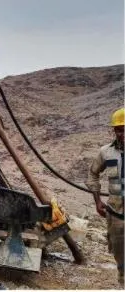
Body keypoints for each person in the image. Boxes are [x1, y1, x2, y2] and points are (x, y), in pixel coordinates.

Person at [86, 107, 124, 286]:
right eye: (119, 129)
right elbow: (92, 174)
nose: (123, 134)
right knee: (119, 254)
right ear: (114, 130)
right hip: (116, 215)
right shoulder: (106, 152)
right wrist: (97, 201)